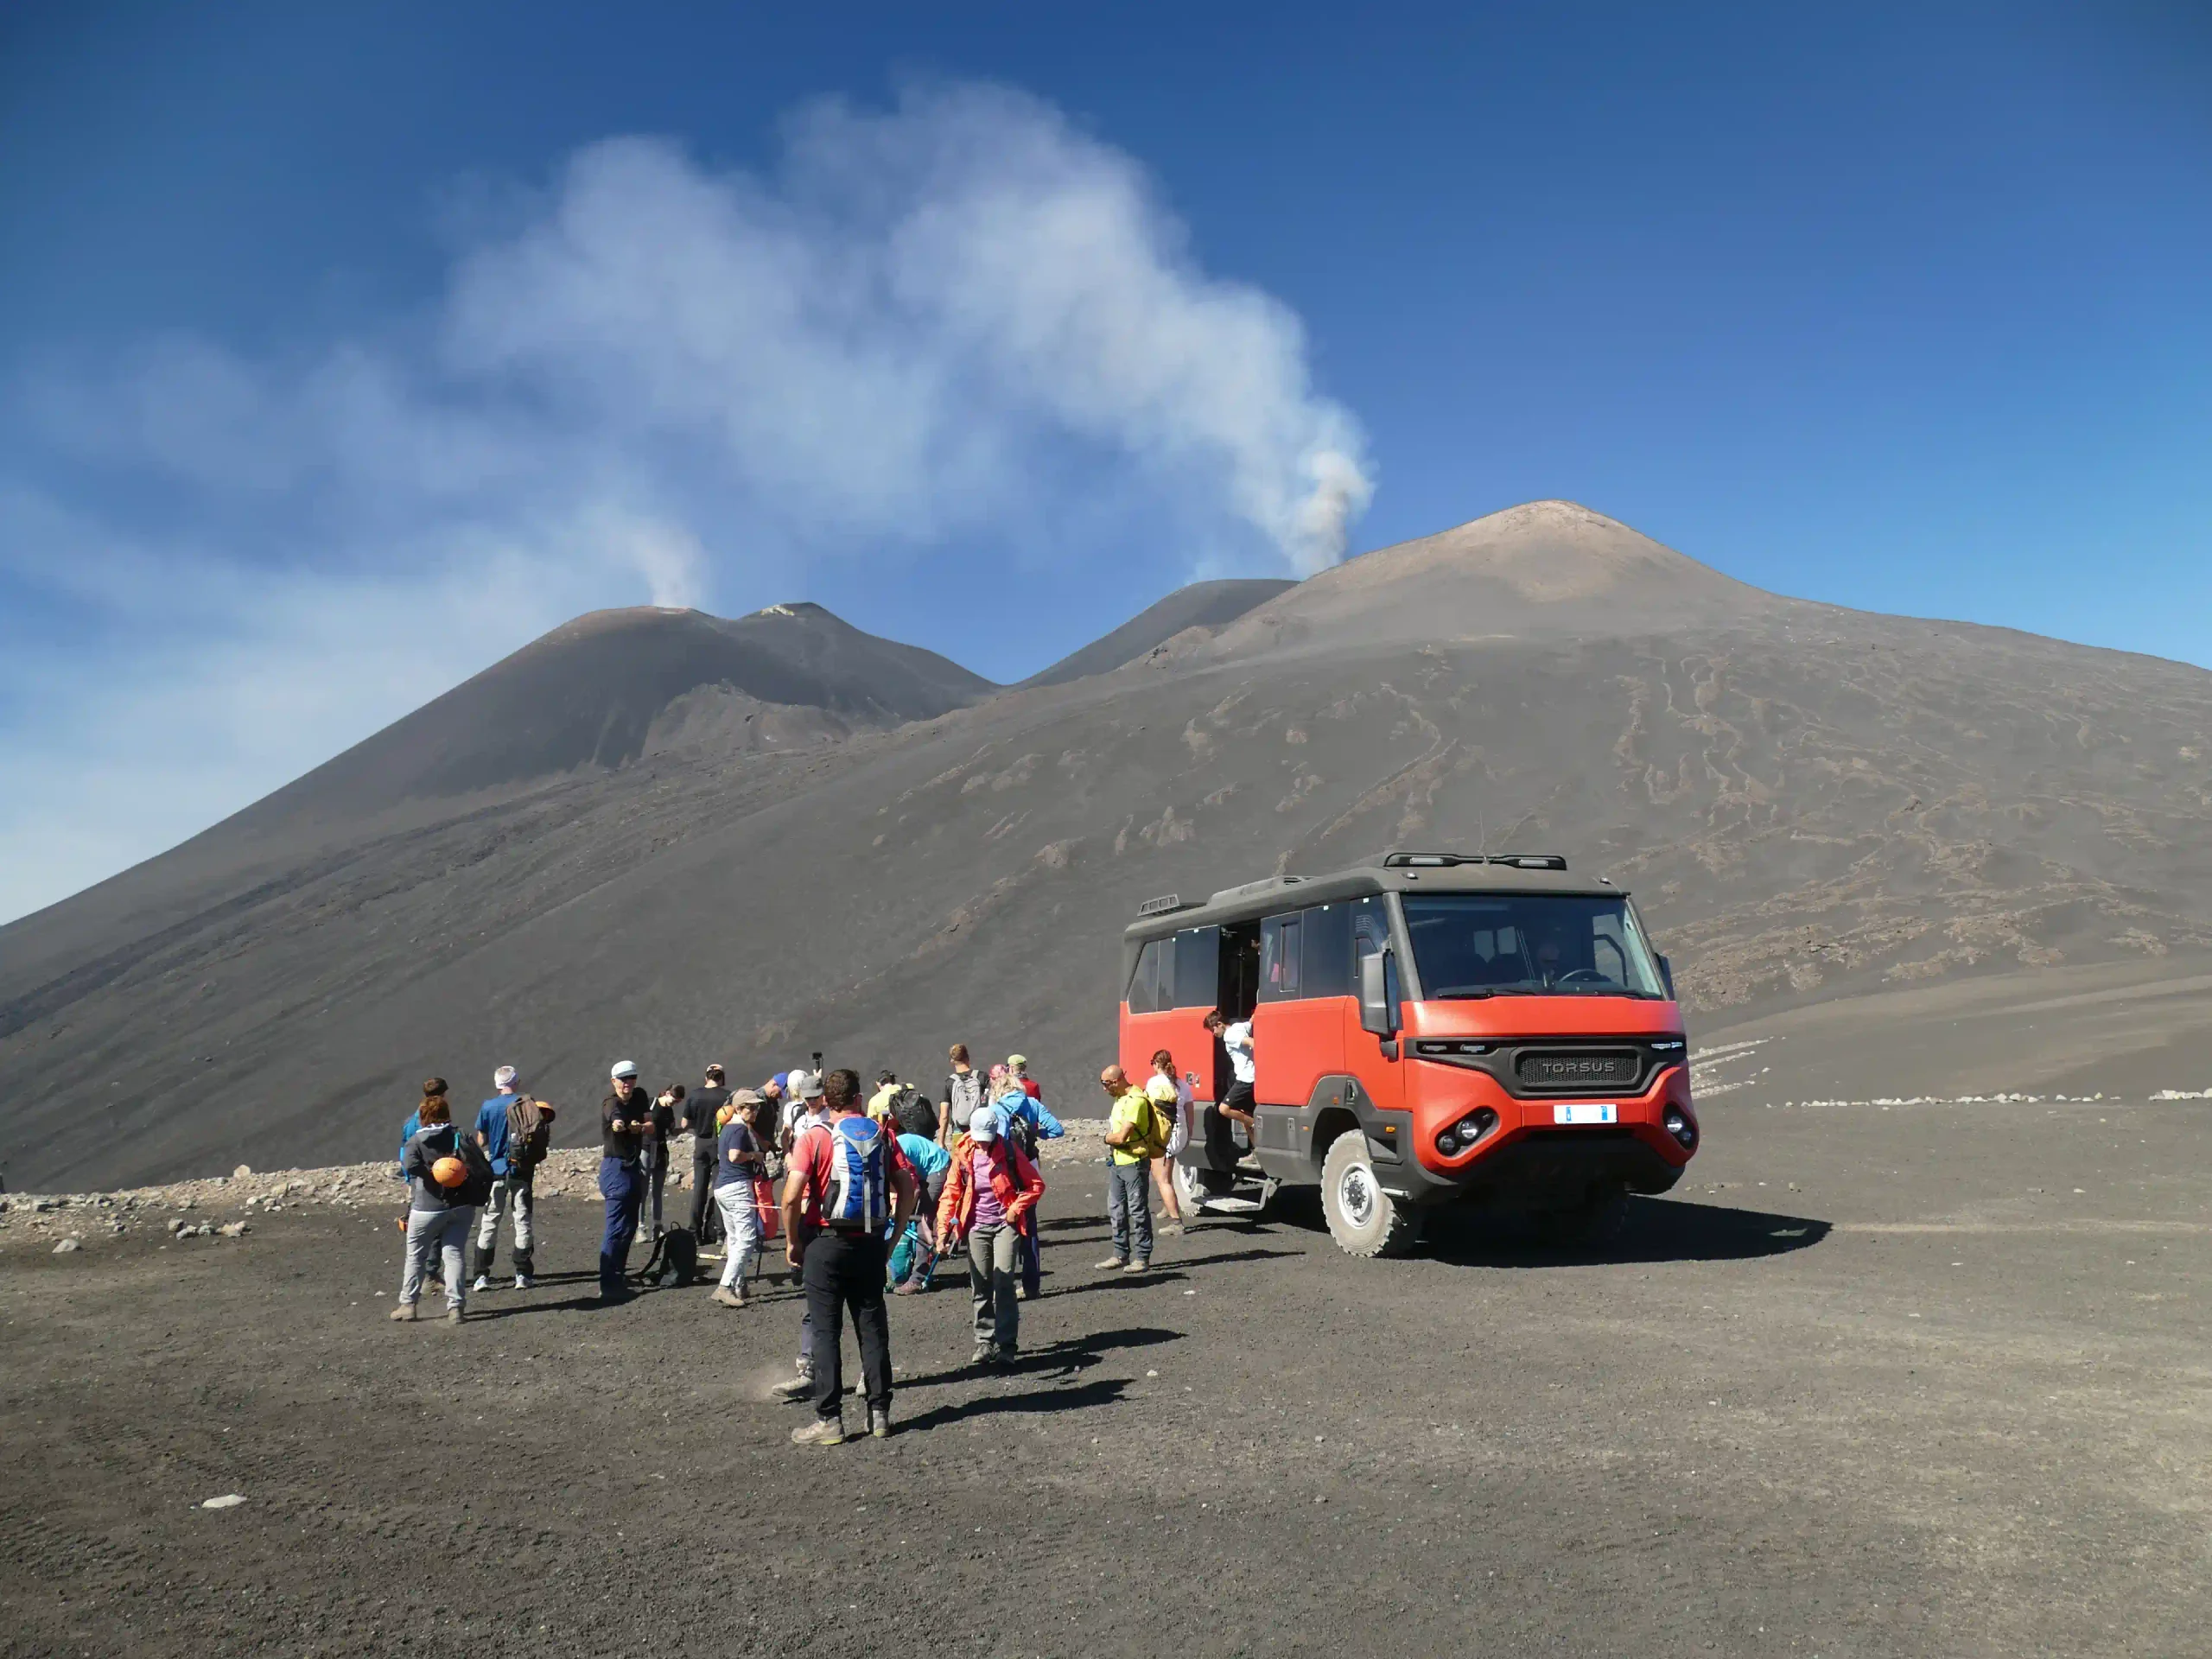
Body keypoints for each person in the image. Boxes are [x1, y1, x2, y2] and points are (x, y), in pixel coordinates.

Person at [778, 1069, 918, 1445]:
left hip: (825, 1244)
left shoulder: (815, 1138)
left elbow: (791, 1196)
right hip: (870, 1243)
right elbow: (907, 1186)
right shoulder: (883, 1136)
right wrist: (895, 1234)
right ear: (858, 1099)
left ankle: (830, 1420)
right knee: (872, 1328)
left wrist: (792, 1241)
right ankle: (880, 1413)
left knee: (826, 1331)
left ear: (825, 1101)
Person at [937, 1102, 1046, 1365]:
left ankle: (1007, 1345)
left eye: (987, 1140)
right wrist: (943, 1232)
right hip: (976, 1226)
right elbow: (951, 1192)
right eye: (979, 1140)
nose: (983, 1145)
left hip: (1005, 1224)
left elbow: (1036, 1185)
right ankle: (984, 1342)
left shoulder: (1009, 1150)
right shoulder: (963, 1153)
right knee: (981, 1284)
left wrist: (1015, 1209)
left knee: (1004, 1280)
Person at [392, 1085, 478, 1325]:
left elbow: (408, 1166)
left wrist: (429, 1175)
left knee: (416, 1256)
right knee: (454, 1254)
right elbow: (475, 1160)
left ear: (423, 1116)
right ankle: (456, 1308)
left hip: (427, 1206)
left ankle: (408, 1305)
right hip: (461, 1205)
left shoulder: (415, 1141)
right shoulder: (460, 1135)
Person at [987, 1064, 1062, 1298]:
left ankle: (1003, 1281)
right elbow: (1057, 1129)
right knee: (1029, 1226)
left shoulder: (997, 1109)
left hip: (1007, 1170)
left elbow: (995, 1143)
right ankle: (1031, 1286)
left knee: (1002, 1223)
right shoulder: (1032, 1103)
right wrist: (1035, 1133)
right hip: (1030, 1166)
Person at [470, 1065, 538, 1290]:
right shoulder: (527, 1102)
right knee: (522, 1220)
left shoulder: (488, 1107)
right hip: (522, 1170)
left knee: (490, 1221)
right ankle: (522, 1273)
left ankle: (481, 1275)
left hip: (497, 1171)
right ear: (516, 1082)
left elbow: (481, 1141)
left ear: (497, 1084)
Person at [1097, 1064, 1160, 1273]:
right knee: (1116, 1210)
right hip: (1117, 1162)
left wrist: (1106, 1138)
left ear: (1116, 1081)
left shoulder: (1135, 1100)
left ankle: (1142, 1257)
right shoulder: (1119, 1099)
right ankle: (1120, 1254)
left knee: (1138, 1210)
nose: (1104, 1089)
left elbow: (1121, 1136)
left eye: (1106, 1084)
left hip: (1134, 1163)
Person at [599, 1061, 651, 1301]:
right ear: (613, 1082)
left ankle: (618, 1274)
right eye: (622, 1079)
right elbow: (615, 1118)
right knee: (615, 1227)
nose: (627, 1082)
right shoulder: (611, 1103)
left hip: (632, 1167)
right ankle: (607, 1283)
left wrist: (642, 1126)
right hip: (615, 1168)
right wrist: (621, 1125)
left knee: (629, 1226)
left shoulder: (639, 1097)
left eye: (631, 1077)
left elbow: (650, 1124)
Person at [709, 1089, 766, 1307]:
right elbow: (734, 1156)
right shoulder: (740, 1130)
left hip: (723, 1188)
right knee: (747, 1239)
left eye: (756, 1107)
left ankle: (738, 1284)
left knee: (734, 1239)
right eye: (751, 1108)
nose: (755, 1112)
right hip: (737, 1188)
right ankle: (724, 1287)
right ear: (740, 1109)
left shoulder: (727, 1128)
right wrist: (754, 1155)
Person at [889, 1128, 952, 1294]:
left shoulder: (898, 1152)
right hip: (923, 1170)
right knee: (912, 1217)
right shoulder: (889, 1149)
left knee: (922, 1221)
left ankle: (917, 1278)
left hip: (938, 1167)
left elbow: (913, 1190)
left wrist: (903, 1213)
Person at [1145, 1049, 1194, 1237]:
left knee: (1162, 1178)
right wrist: (1188, 1136)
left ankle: (1176, 1221)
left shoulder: (1154, 1082)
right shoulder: (1182, 1084)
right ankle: (1168, 1205)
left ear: (1156, 1064)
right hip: (1179, 1133)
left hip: (1164, 1135)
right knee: (1166, 1172)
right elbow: (1190, 1113)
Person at [683, 1065, 733, 1248]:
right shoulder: (727, 1096)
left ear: (706, 1077)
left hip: (701, 1143)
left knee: (699, 1190)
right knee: (719, 1190)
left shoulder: (695, 1095)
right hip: (719, 1144)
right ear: (722, 1077)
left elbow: (685, 1123)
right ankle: (720, 1233)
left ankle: (694, 1232)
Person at [1207, 1009, 1258, 1136]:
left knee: (1224, 1109)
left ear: (1220, 1024)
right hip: (1252, 1077)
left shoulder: (1229, 1035)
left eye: (1213, 1030)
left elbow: (1250, 1041)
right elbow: (1252, 1021)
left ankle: (1256, 1124)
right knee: (1244, 1113)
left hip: (1245, 1079)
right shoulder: (1239, 1026)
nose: (1214, 1034)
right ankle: (1255, 1149)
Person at [641, 1083, 680, 1239]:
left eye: (677, 1101)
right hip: (646, 1148)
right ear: (667, 1093)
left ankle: (657, 1225)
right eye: (674, 1098)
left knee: (657, 1191)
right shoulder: (650, 1103)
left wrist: (685, 1128)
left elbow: (671, 1132)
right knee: (642, 1190)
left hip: (661, 1151)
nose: (674, 1102)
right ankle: (640, 1227)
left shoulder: (669, 1112)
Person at [938, 1044, 989, 1147]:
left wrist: (941, 1141)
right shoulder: (982, 1077)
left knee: (961, 1160)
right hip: (981, 1129)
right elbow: (992, 1102)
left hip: (959, 1131)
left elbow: (944, 1116)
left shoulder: (950, 1082)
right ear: (968, 1057)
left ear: (952, 1061)